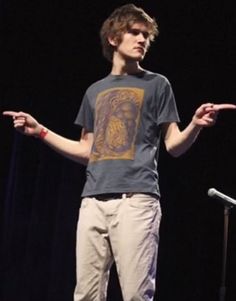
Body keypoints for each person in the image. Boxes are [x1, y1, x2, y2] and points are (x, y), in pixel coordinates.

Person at [3, 3, 236, 301]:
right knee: (86, 294)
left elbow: (173, 146)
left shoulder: (157, 84)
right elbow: (87, 150)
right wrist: (41, 132)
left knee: (136, 295)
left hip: (136, 201)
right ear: (114, 38)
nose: (142, 40)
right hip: (92, 202)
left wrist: (195, 125)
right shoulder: (94, 91)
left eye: (145, 36)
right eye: (134, 33)